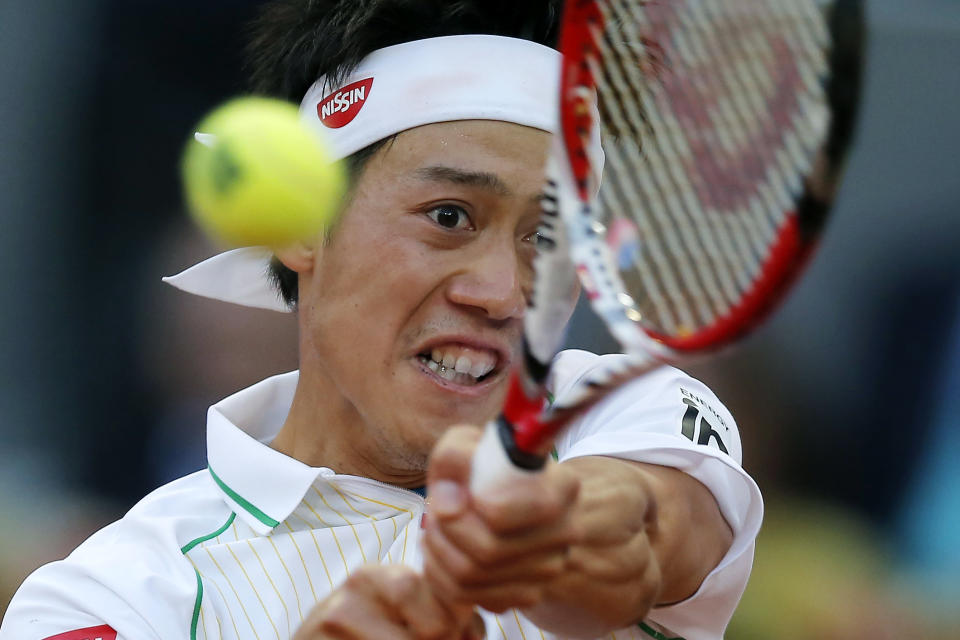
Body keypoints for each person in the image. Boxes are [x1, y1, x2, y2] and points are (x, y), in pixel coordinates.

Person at [0, 2, 762, 639]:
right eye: (450, 216)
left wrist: (550, 537)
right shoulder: (109, 600)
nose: (503, 293)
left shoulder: (626, 406)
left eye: (549, 239)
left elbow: (641, 530)